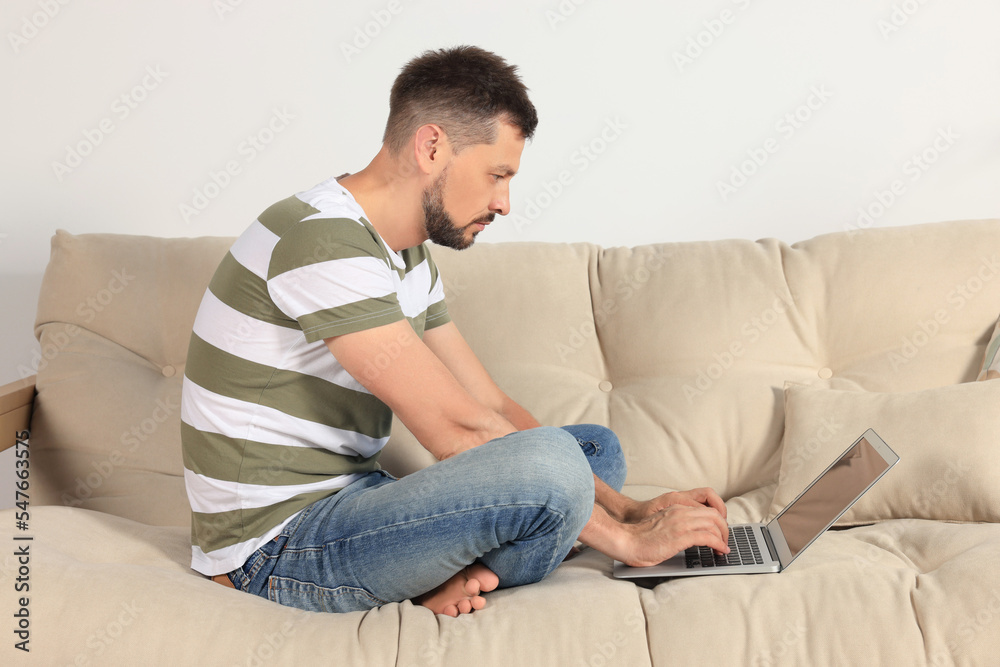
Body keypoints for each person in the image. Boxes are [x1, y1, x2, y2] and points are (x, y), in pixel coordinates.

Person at [181, 45, 730, 617]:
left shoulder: (408, 254)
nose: (505, 202)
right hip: (274, 550)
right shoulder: (321, 241)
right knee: (551, 465)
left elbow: (486, 400)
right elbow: (455, 429)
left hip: (356, 502)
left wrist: (631, 508)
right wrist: (628, 541)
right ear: (432, 146)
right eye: (497, 175)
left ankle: (455, 574)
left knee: (591, 450)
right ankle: (465, 569)